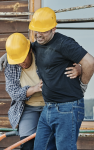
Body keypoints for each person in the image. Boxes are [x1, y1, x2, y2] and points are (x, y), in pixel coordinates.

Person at [0, 32, 82, 150]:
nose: (20, 63)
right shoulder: (11, 64)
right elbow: (13, 92)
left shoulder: (43, 53)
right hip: (27, 107)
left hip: (50, 105)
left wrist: (79, 67)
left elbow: (63, 60)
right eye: (17, 60)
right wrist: (34, 89)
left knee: (49, 144)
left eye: (22, 58)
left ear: (30, 51)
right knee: (27, 145)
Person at [28, 7, 94, 150]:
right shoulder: (38, 44)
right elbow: (26, 48)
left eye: (43, 31)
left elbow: (89, 62)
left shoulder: (64, 43)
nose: (38, 35)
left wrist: (83, 83)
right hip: (49, 108)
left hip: (68, 108)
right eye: (36, 30)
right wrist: (7, 56)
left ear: (53, 29)